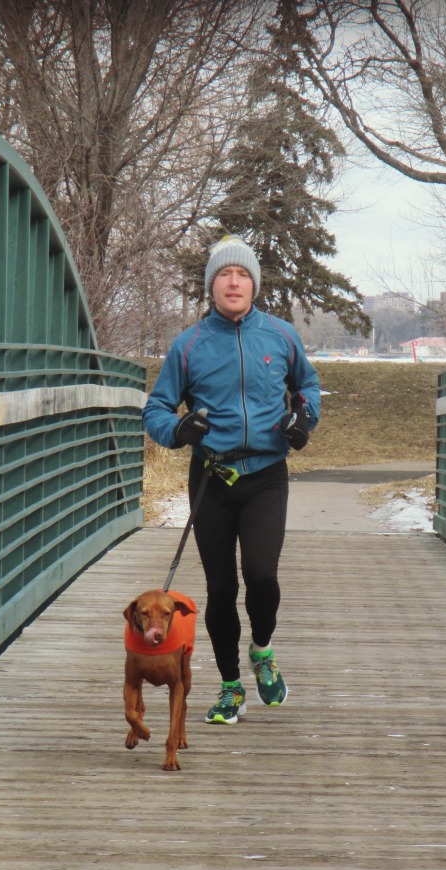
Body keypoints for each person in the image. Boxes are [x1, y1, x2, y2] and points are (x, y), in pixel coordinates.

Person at [142, 235, 321, 724]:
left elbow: (306, 387)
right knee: (220, 589)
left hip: (266, 474)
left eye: (242, 274)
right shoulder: (189, 344)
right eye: (225, 274)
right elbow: (156, 408)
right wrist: (178, 429)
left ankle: (261, 649)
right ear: (212, 286)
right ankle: (229, 688)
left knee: (261, 576)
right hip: (212, 478)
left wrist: (302, 420)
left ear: (254, 284)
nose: (234, 282)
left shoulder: (281, 336)